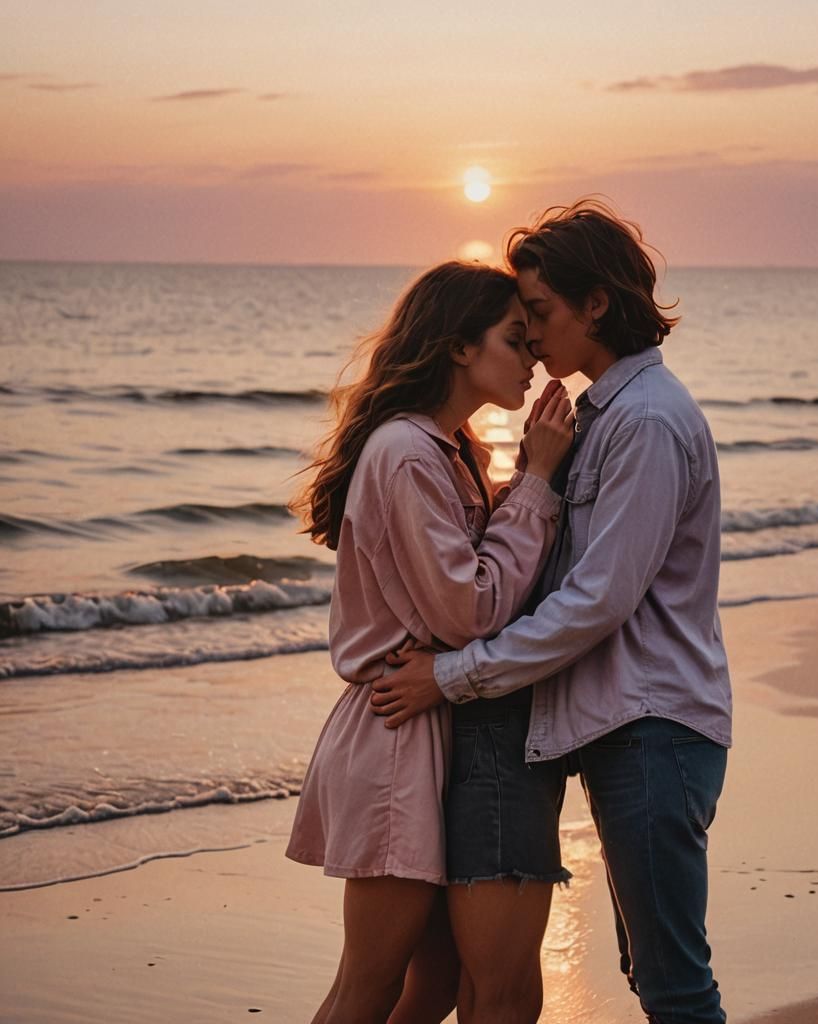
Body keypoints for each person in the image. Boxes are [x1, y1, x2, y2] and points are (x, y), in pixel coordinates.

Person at [371, 200, 733, 1024]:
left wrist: (451, 677)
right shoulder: (601, 416)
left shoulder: (643, 421)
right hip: (630, 730)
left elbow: (595, 601)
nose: (531, 337)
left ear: (595, 304)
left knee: (673, 982)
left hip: (655, 730)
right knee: (656, 974)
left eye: (538, 312)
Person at [285, 260, 575, 1024]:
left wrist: (515, 490)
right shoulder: (409, 453)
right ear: (457, 347)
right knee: (367, 986)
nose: (534, 356)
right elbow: (469, 610)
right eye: (516, 340)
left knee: (435, 985)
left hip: (428, 721)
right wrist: (539, 483)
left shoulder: (453, 451)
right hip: (394, 734)